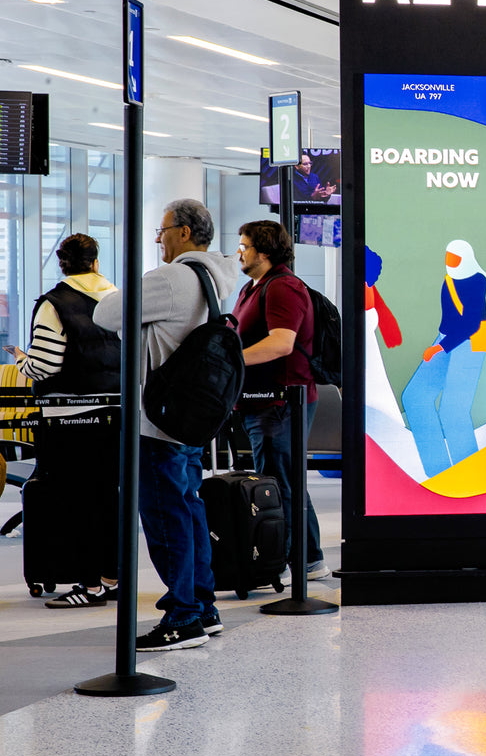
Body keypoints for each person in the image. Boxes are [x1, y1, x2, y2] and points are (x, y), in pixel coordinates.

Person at [94, 199, 240, 650]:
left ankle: (183, 618)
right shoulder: (218, 277)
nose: (158, 238)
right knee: (189, 509)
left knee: (165, 516)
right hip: (190, 418)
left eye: (162, 230)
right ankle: (203, 606)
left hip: (158, 423)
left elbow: (106, 315)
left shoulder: (173, 278)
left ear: (184, 232)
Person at [11, 234, 121, 608]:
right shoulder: (117, 297)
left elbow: (43, 366)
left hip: (68, 419)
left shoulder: (53, 304)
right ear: (95, 262)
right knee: (108, 497)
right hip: (114, 414)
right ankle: (111, 577)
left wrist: (21, 362)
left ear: (62, 264)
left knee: (76, 500)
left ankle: (88, 586)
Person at [233, 220, 327, 581]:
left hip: (283, 401)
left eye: (245, 246)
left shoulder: (284, 288)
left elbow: (281, 343)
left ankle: (294, 558)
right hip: (262, 402)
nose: (240, 252)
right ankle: (309, 557)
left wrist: (233, 360)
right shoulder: (253, 288)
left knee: (281, 482)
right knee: (283, 479)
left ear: (265, 251)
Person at [400, 239, 486, 479]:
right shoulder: (449, 279)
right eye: (448, 257)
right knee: (415, 397)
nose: (449, 262)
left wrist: (440, 348)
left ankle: (469, 475)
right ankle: (438, 471)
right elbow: (449, 320)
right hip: (448, 338)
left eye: (455, 258)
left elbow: (471, 323)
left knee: (453, 410)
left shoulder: (477, 280)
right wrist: (440, 344)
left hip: (471, 342)